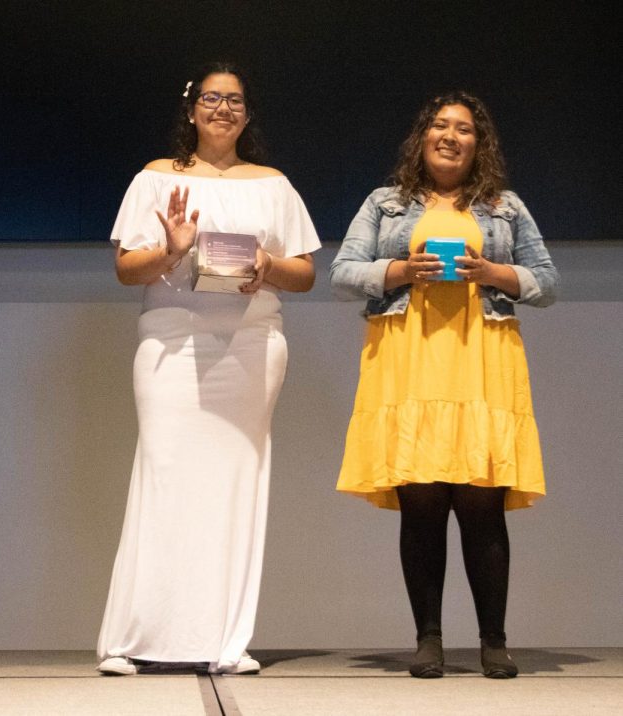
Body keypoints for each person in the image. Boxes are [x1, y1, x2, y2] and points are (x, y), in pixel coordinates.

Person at [96, 62, 320, 676]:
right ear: (191, 109)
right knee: (164, 477)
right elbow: (126, 270)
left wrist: (266, 265)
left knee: (236, 485)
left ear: (248, 114)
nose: (224, 109)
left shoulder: (273, 183)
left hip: (251, 343)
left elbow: (304, 273)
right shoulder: (156, 178)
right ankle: (134, 639)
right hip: (172, 341)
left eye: (236, 101)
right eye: (212, 99)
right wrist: (171, 249)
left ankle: (225, 641)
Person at [330, 92, 558, 679]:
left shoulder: (504, 207)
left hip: (481, 360)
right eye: (439, 125)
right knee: (423, 504)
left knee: (483, 504)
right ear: (422, 137)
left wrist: (493, 272)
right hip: (409, 361)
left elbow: (547, 282)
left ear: (479, 145)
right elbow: (343, 273)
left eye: (463, 129)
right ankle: (428, 638)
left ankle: (493, 641)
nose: (450, 135)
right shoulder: (386, 203)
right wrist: (403, 270)